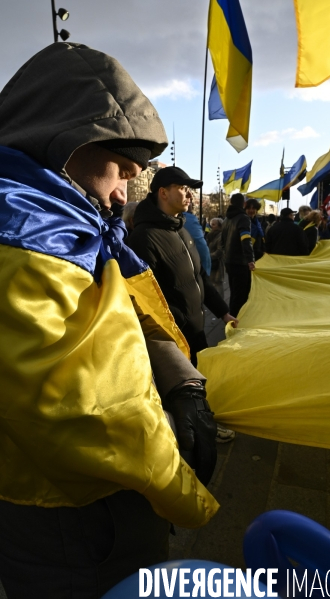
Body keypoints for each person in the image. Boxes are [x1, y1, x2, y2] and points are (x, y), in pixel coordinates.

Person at [0, 42, 219, 599]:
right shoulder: (22, 239)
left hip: (95, 501)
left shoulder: (66, 222)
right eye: (121, 169)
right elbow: (75, 411)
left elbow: (127, 321)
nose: (125, 189)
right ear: (67, 143)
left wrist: (180, 382)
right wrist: (177, 471)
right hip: (68, 520)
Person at [127, 165, 238, 367]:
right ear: (163, 193)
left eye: (190, 190)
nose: (189, 195)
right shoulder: (144, 238)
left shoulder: (182, 231)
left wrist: (223, 312)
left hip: (196, 335)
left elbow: (200, 277)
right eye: (183, 188)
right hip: (174, 344)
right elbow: (147, 300)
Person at [221, 193, 256, 317]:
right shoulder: (243, 218)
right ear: (244, 204)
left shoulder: (226, 220)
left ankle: (232, 316)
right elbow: (246, 239)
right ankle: (236, 320)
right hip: (241, 262)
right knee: (241, 294)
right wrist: (250, 259)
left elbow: (222, 242)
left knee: (234, 293)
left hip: (229, 261)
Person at [184, 199, 212, 275]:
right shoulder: (187, 218)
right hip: (195, 271)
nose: (191, 204)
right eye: (183, 189)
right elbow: (201, 248)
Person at [207, 217, 225, 298]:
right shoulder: (210, 235)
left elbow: (220, 251)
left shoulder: (221, 236)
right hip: (210, 262)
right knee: (211, 282)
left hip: (217, 263)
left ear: (219, 226)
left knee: (217, 282)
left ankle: (221, 302)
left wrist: (208, 256)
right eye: (211, 224)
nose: (211, 226)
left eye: (214, 225)